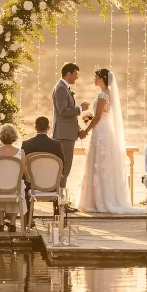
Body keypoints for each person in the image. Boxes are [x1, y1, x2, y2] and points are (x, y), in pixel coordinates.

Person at [78, 68, 143, 215]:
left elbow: (98, 117)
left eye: (96, 77)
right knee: (102, 164)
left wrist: (86, 131)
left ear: (101, 79)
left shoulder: (102, 95)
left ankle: (99, 201)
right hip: (106, 131)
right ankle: (104, 197)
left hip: (101, 131)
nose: (94, 79)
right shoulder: (109, 94)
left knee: (98, 163)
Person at [52, 62, 91, 200]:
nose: (77, 78)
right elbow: (63, 112)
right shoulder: (61, 88)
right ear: (68, 74)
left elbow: (68, 118)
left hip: (67, 133)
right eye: (75, 74)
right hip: (64, 135)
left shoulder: (64, 88)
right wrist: (80, 109)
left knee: (65, 167)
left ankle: (61, 200)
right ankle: (60, 201)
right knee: (64, 167)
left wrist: (79, 130)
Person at [22, 116, 65, 218]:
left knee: (23, 182)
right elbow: (62, 165)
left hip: (31, 184)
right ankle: (57, 217)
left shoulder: (26, 144)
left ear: (35, 127)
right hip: (52, 184)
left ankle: (28, 217)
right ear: (48, 128)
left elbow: (23, 165)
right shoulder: (56, 145)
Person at [0, 124, 28, 232]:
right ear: (15, 136)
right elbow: (23, 171)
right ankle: (13, 223)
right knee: (18, 185)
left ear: (0, 136)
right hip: (15, 188)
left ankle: (0, 222)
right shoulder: (21, 152)